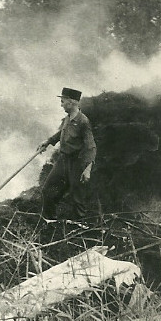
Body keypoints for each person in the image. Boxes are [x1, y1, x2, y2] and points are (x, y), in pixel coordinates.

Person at [36, 87, 96, 222]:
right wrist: (48, 141)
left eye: (63, 101)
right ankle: (50, 220)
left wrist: (87, 169)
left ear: (71, 102)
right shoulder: (67, 118)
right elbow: (61, 133)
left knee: (77, 197)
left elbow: (91, 147)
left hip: (77, 163)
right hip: (63, 160)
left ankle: (80, 227)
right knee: (47, 190)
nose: (61, 104)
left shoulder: (83, 122)